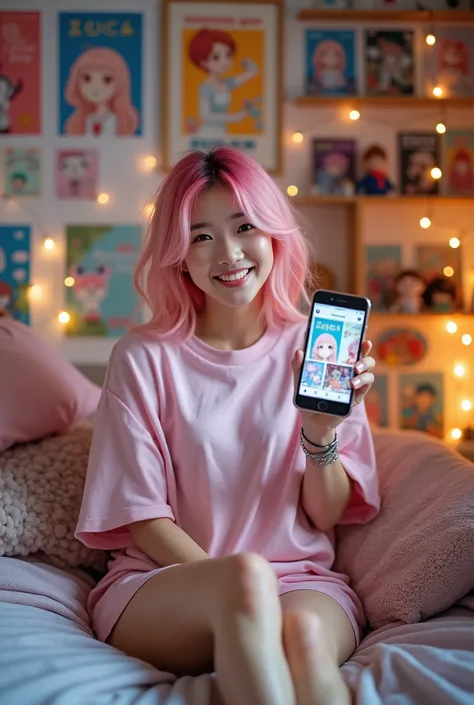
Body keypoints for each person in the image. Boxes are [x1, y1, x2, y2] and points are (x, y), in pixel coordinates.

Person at [75, 147, 379, 705]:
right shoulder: (144, 357)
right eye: (201, 235)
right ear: (178, 255)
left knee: (307, 638)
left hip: (301, 582)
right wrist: (242, 586)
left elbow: (328, 513)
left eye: (245, 227)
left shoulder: (317, 350)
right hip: (166, 583)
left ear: (273, 236)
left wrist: (319, 429)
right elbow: (144, 519)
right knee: (244, 582)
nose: (230, 253)